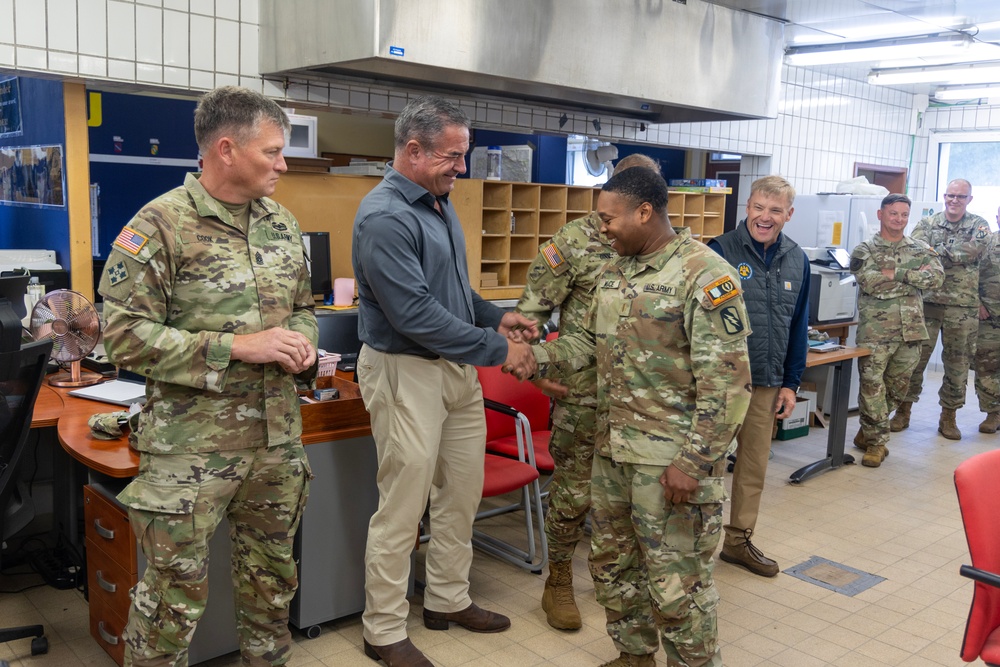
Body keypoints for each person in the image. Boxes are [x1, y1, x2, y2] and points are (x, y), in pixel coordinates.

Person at [99, 85, 319, 667]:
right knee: (170, 601)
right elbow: (119, 335)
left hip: (275, 442)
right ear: (226, 149)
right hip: (190, 450)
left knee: (273, 587)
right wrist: (234, 347)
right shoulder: (160, 225)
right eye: (272, 151)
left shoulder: (282, 223)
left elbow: (303, 308)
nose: (283, 163)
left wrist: (303, 346)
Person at [530, 167, 752, 667]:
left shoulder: (705, 274)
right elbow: (589, 342)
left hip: (670, 461)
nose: (601, 227)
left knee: (678, 587)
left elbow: (730, 385)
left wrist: (693, 463)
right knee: (614, 569)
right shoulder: (616, 268)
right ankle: (634, 658)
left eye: (609, 219)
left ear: (644, 212)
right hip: (611, 451)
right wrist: (535, 358)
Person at [352, 96, 538, 667]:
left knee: (460, 492)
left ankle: (447, 600)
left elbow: (451, 296)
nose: (463, 168)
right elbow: (415, 316)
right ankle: (383, 629)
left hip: (455, 369)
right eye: (454, 157)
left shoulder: (438, 202)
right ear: (413, 150)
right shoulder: (385, 217)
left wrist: (493, 316)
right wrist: (499, 349)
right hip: (405, 370)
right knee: (402, 507)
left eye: (465, 155)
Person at [514, 152, 661, 631]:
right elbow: (530, 313)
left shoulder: (670, 252)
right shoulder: (575, 240)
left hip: (645, 402)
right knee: (573, 494)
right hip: (584, 397)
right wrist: (533, 372)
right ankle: (557, 580)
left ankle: (625, 589)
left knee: (637, 502)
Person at [707, 175, 809, 578]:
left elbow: (798, 324)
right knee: (707, 465)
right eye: (758, 208)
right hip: (720, 382)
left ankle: (737, 542)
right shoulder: (719, 252)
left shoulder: (797, 259)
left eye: (775, 210)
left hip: (767, 381)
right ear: (746, 207)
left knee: (752, 468)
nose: (765, 217)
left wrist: (791, 382)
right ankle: (694, 544)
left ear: (788, 214)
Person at [894, 179, 993, 440]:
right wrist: (948, 254)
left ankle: (948, 417)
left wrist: (936, 252)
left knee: (958, 365)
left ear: (969, 199)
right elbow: (916, 250)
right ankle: (903, 412)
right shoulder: (928, 223)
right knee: (914, 361)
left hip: (963, 308)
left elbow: (974, 250)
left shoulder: (979, 224)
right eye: (951, 195)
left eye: (961, 197)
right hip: (926, 303)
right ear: (944, 196)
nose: (955, 200)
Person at [849, 194, 944, 467]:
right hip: (876, 333)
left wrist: (897, 273)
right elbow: (871, 283)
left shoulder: (920, 247)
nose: (899, 219)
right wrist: (914, 280)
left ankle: (867, 431)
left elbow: (936, 278)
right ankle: (877, 444)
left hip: (912, 332)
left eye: (904, 214)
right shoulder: (864, 250)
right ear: (881, 215)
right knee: (872, 387)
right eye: (893, 214)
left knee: (897, 389)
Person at [976, 219, 1000, 434]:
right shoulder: (986, 243)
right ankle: (993, 413)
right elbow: (969, 274)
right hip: (990, 317)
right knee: (987, 367)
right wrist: (977, 302)